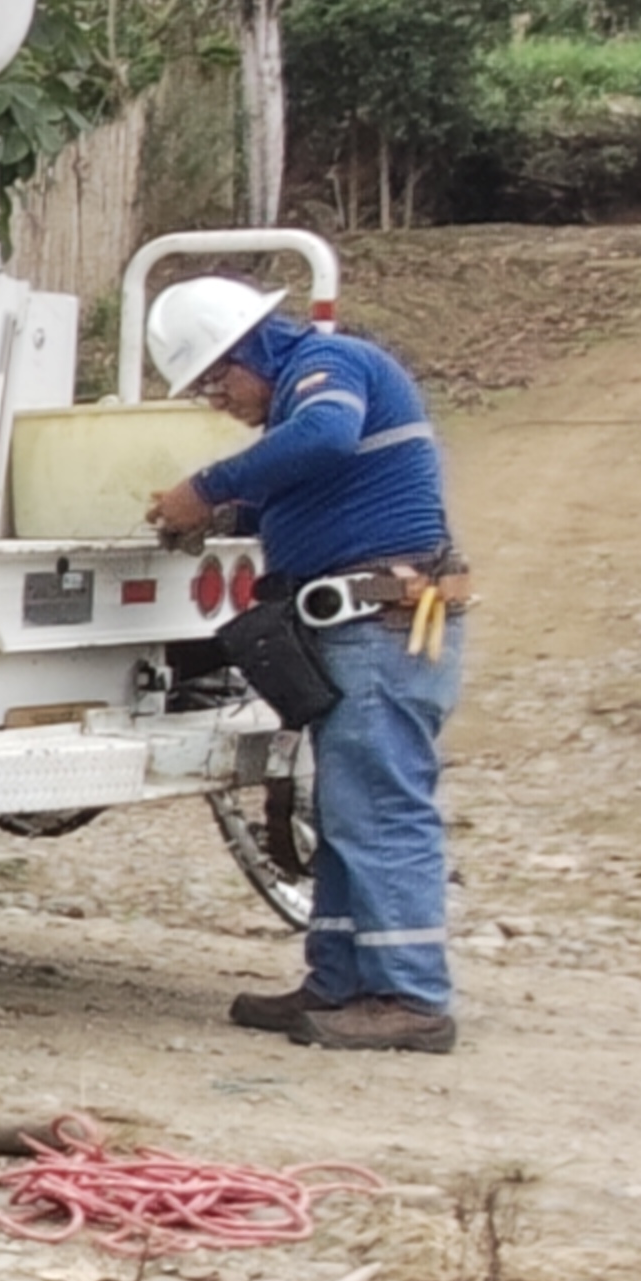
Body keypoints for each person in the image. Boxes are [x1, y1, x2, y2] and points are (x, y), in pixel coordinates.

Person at [140, 275, 466, 1055]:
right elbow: (307, 481)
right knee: (349, 810)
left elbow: (325, 437)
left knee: (380, 807)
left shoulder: (329, 368)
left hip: (379, 624)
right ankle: (340, 982)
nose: (220, 402)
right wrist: (226, 512)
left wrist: (207, 487)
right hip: (360, 625)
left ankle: (411, 997)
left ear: (248, 350)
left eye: (216, 382)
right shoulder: (302, 392)